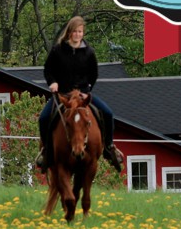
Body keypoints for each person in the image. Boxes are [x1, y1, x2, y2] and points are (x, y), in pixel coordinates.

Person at [34, 16, 124, 173]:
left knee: (108, 113)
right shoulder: (58, 50)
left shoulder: (89, 52)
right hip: (63, 95)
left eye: (80, 31)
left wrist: (86, 91)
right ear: (69, 32)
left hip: (82, 95)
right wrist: (52, 83)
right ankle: (46, 151)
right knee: (43, 118)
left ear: (83, 33)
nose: (77, 34)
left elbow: (93, 74)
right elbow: (48, 70)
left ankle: (109, 147)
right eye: (75, 31)